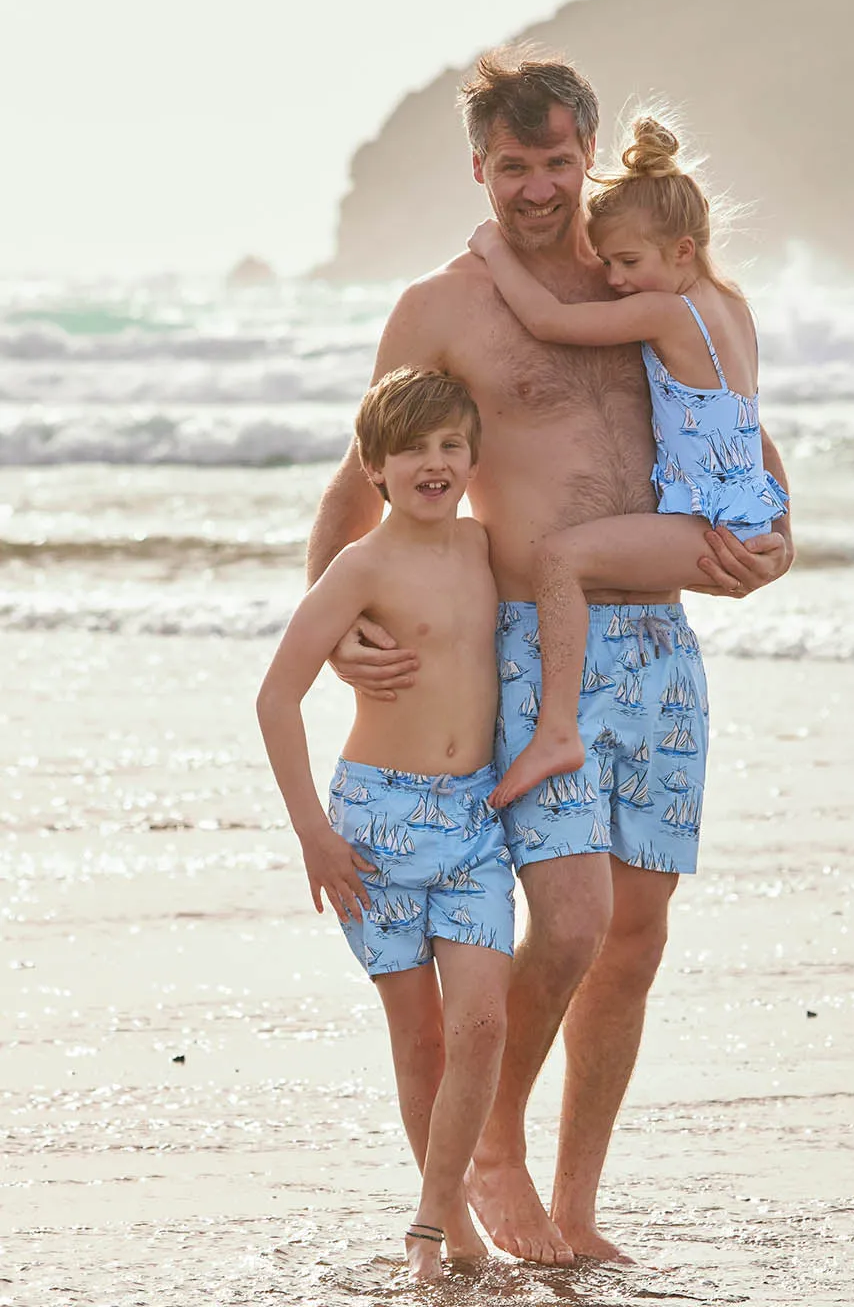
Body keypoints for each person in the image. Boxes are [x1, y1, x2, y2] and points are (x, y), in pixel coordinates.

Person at [307, 51, 794, 1266]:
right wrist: (338, 629)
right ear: (479, 167)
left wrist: (777, 526)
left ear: (587, 157)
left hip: (660, 645)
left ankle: (576, 1206)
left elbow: (733, 418)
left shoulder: (644, 278)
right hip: (536, 645)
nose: (535, 187)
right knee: (570, 920)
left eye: (556, 161)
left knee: (635, 937)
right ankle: (493, 1148)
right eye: (511, 165)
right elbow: (357, 473)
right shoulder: (442, 306)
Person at [257, 367, 515, 1283]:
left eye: (451, 445)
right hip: (376, 822)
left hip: (474, 817)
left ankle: (428, 1223)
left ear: (474, 457)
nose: (434, 463)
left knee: (483, 1021)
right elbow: (276, 698)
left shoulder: (490, 548)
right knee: (421, 1036)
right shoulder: (360, 566)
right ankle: (450, 1227)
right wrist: (312, 836)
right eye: (412, 449)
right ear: (374, 465)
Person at [467, 115, 789, 807]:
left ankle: (555, 730)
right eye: (606, 262)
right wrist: (783, 531)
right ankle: (561, 729)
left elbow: (550, 322)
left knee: (557, 559)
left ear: (681, 250)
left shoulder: (668, 313)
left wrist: (494, 251)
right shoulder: (732, 306)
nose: (614, 279)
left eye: (627, 263)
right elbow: (753, 431)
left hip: (708, 523)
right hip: (745, 514)